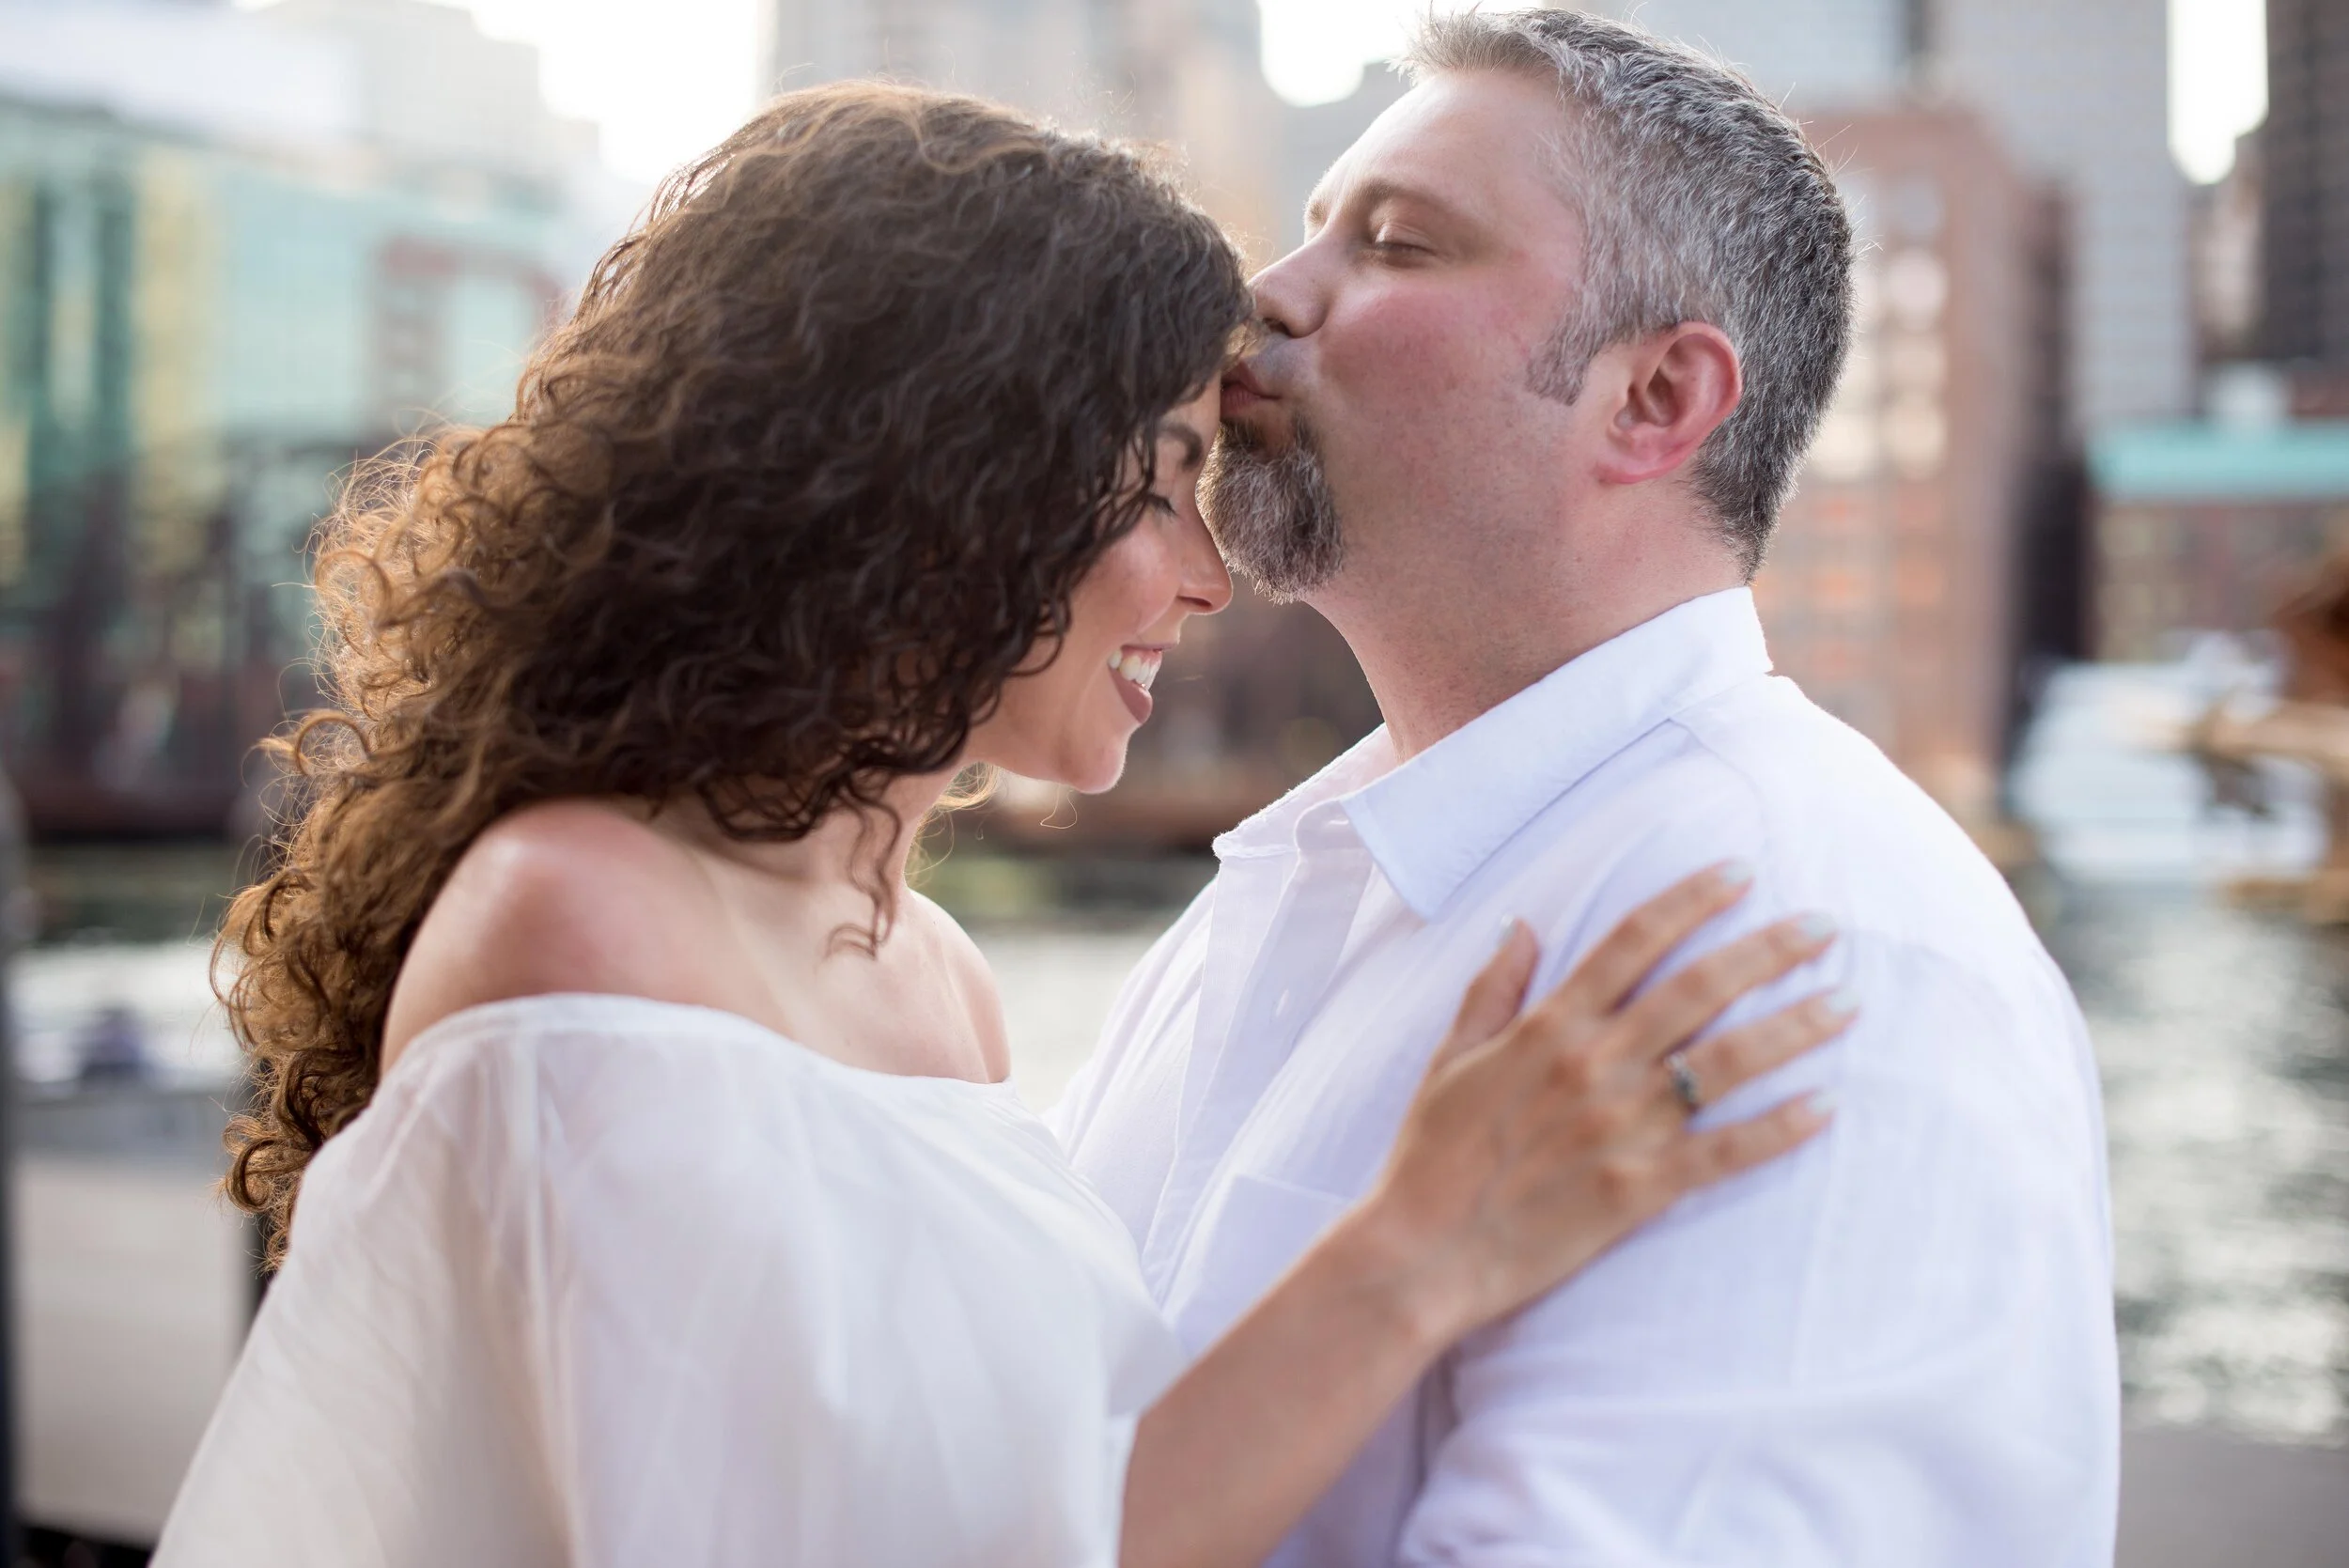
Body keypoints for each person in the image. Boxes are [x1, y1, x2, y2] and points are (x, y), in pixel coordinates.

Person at [152, 84, 1849, 1568]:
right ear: (953, 482)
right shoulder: (583, 920)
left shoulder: (933, 977)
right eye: (1168, 475)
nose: (1208, 570)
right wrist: (1416, 1251)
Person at [1052, 11, 2120, 1566]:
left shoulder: (1802, 958)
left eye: (1399, 244)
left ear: (1655, 400)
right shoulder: (1283, 895)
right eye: (1311, 232)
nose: (1269, 295)